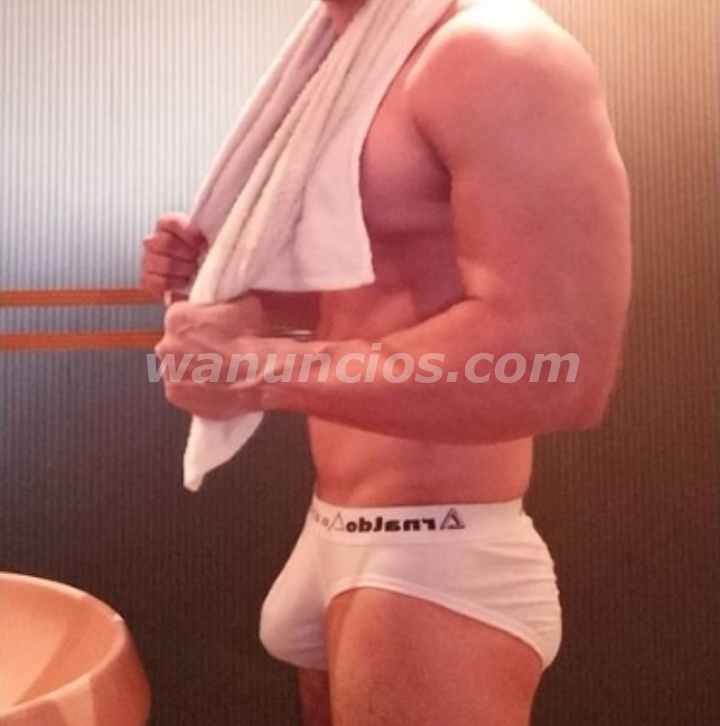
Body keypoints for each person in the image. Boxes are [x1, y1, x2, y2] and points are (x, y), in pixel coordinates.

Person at [141, 0, 631, 723]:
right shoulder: (350, 61)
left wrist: (252, 368)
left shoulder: (495, 51)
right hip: (333, 524)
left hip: (435, 553)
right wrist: (229, 288)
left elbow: (554, 365)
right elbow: (368, 293)